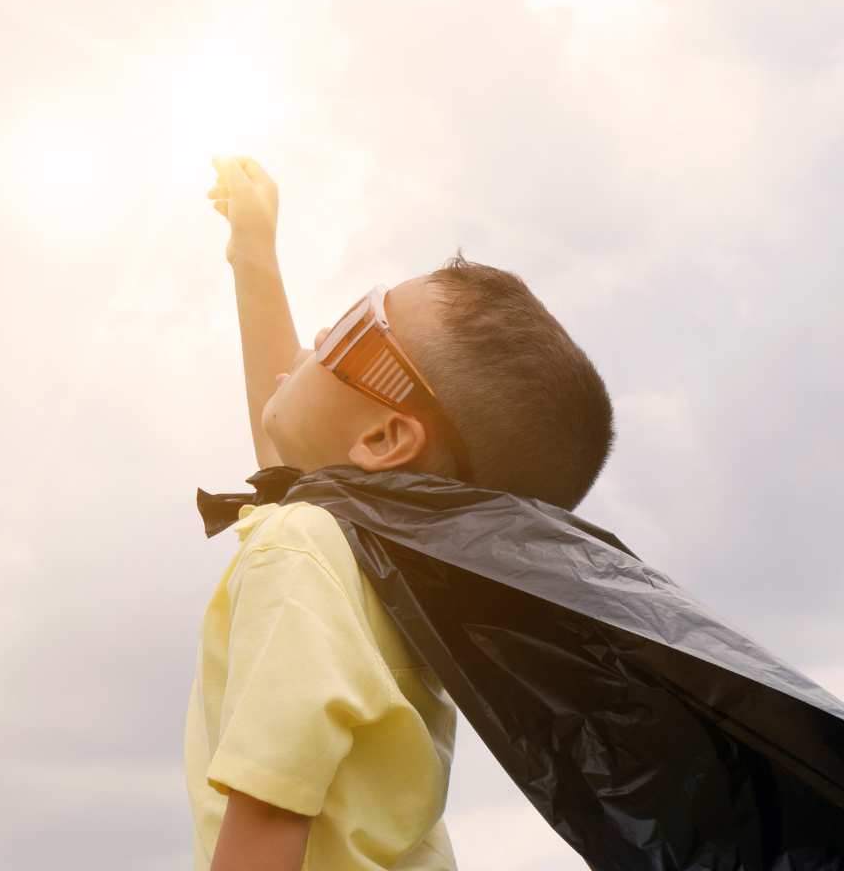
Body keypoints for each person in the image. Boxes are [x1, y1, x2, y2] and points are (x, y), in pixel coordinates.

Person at [184, 156, 616, 871]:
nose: (322, 331)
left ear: (385, 437)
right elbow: (289, 439)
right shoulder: (389, 557)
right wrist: (253, 255)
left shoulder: (303, 547)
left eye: (355, 330)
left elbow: (268, 816)